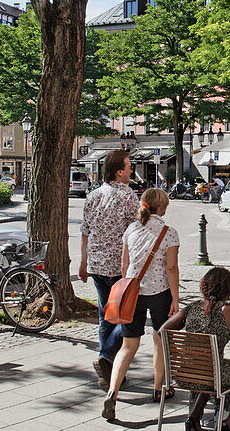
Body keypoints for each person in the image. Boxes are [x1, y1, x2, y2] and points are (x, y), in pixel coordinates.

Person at [103, 188, 181, 420]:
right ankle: (159, 390)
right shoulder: (169, 233)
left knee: (128, 346)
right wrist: (175, 298)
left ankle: (112, 392)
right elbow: (171, 268)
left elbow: (124, 264)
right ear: (163, 207)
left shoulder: (132, 229)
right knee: (160, 342)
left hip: (132, 292)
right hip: (160, 293)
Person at [157, 267, 230, 431]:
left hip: (183, 374)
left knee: (208, 371)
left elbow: (162, 331)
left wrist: (179, 349)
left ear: (204, 286)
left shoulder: (190, 308)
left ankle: (193, 418)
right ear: (229, 289)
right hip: (213, 375)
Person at [78, 149, 141, 388]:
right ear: (118, 171)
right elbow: (135, 232)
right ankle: (106, 358)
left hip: (97, 265)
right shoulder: (128, 196)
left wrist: (83, 263)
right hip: (119, 267)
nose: (131, 170)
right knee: (126, 315)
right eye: (129, 166)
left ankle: (110, 373)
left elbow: (85, 232)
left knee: (106, 316)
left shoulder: (93, 195)